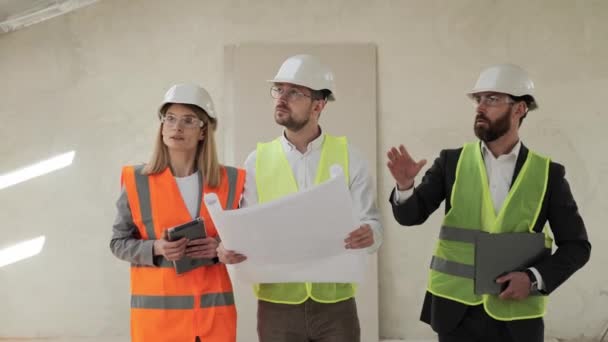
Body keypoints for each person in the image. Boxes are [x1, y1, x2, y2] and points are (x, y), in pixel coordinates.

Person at [386, 64, 591, 342]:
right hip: (455, 312)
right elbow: (411, 216)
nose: (480, 107)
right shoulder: (451, 162)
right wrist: (405, 186)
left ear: (520, 109)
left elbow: (577, 246)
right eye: (478, 99)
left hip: (517, 316)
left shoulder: (548, 174)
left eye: (492, 99)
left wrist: (533, 278)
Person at [217, 54, 382, 342]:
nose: (281, 98)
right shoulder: (257, 161)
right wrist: (230, 249)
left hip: (336, 306)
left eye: (293, 92)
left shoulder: (350, 157)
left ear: (318, 105)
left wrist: (370, 235)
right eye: (278, 90)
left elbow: (373, 225)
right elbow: (247, 229)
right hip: (277, 307)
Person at [110, 83, 246, 342]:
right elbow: (118, 243)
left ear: (203, 130)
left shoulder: (230, 180)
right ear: (161, 127)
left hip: (212, 318)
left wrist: (219, 247)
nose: (177, 127)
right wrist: (156, 248)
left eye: (188, 120)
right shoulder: (137, 180)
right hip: (158, 322)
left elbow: (246, 243)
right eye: (169, 119)